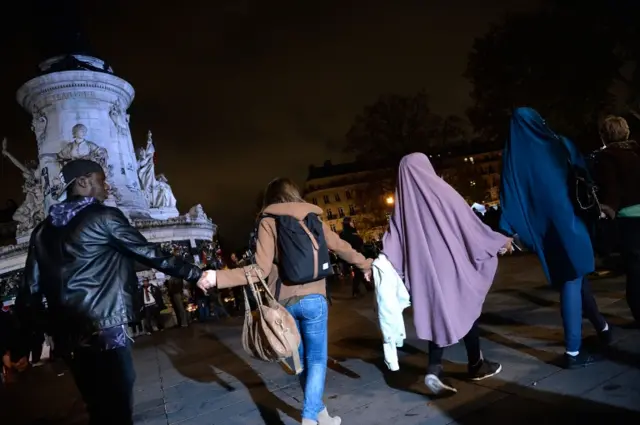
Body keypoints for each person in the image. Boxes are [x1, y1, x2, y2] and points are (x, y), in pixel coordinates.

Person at [15, 159, 214, 425]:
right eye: (101, 179)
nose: (107, 185)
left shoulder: (41, 232)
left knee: (96, 405)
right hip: (105, 329)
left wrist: (35, 334)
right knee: (118, 405)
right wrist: (195, 273)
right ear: (83, 182)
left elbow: (29, 291)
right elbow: (149, 253)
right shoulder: (103, 217)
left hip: (68, 336)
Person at [198, 178, 372, 425]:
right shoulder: (314, 218)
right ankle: (315, 415)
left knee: (300, 362)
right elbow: (341, 247)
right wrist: (365, 265)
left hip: (285, 303)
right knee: (317, 359)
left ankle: (314, 415)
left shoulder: (268, 221)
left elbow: (259, 268)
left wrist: (218, 277)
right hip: (315, 298)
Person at [383, 153, 510, 395]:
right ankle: (475, 364)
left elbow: (391, 244)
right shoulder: (441, 190)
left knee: (437, 315)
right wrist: (497, 241)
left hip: (423, 274)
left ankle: (435, 368)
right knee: (467, 305)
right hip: (450, 264)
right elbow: (467, 221)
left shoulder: (401, 208)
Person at [499, 107, 610, 369]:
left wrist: (505, 231)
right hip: (570, 222)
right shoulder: (558, 143)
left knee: (575, 276)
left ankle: (602, 327)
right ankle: (573, 351)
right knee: (573, 278)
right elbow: (583, 172)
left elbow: (508, 197)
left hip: (545, 228)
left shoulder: (512, 159)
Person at [593, 115, 640, 323]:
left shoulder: (607, 157)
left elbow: (611, 189)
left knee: (635, 271)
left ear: (605, 135)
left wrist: (606, 210)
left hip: (629, 220)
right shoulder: (636, 152)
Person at [339, 217, 369, 297]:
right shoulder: (348, 233)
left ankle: (367, 286)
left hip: (355, 254)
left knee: (360, 271)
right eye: (351, 222)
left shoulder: (348, 233)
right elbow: (355, 242)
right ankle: (355, 290)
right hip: (354, 254)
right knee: (359, 272)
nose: (353, 223)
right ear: (348, 223)